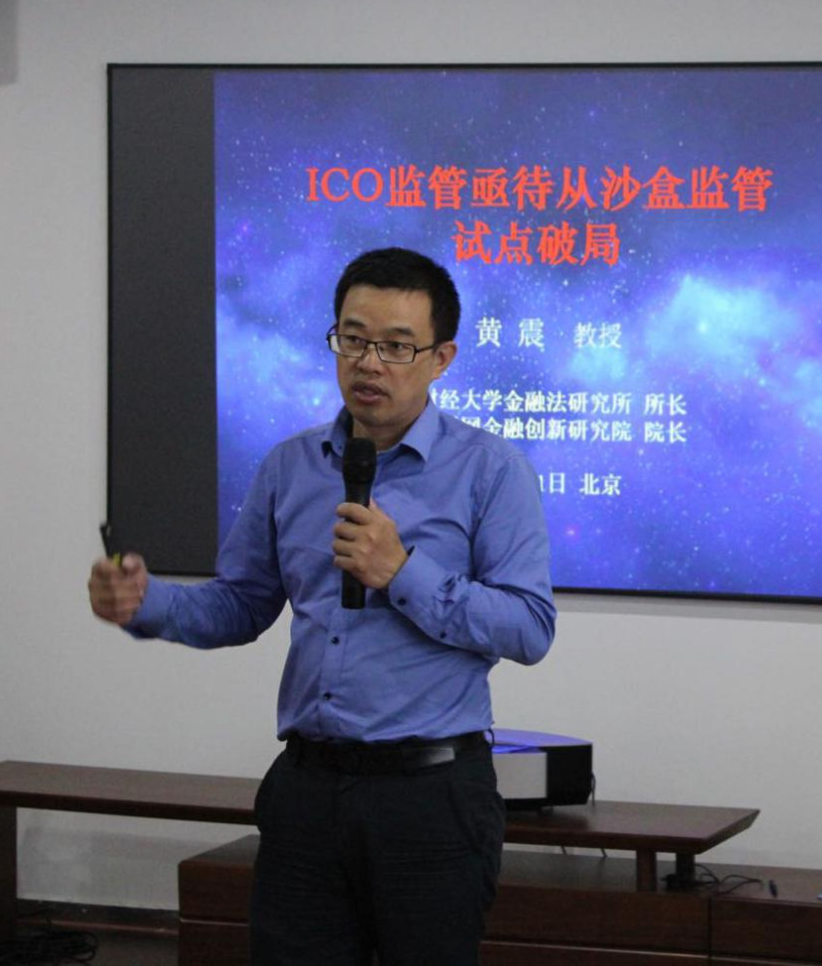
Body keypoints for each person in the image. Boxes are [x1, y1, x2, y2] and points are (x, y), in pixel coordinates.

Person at [88, 246, 557, 966]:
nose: (369, 363)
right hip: (307, 792)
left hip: (431, 798)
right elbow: (241, 605)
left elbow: (528, 628)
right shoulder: (290, 466)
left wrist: (402, 572)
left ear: (442, 358)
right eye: (353, 338)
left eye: (396, 346)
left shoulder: (491, 471)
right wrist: (148, 603)